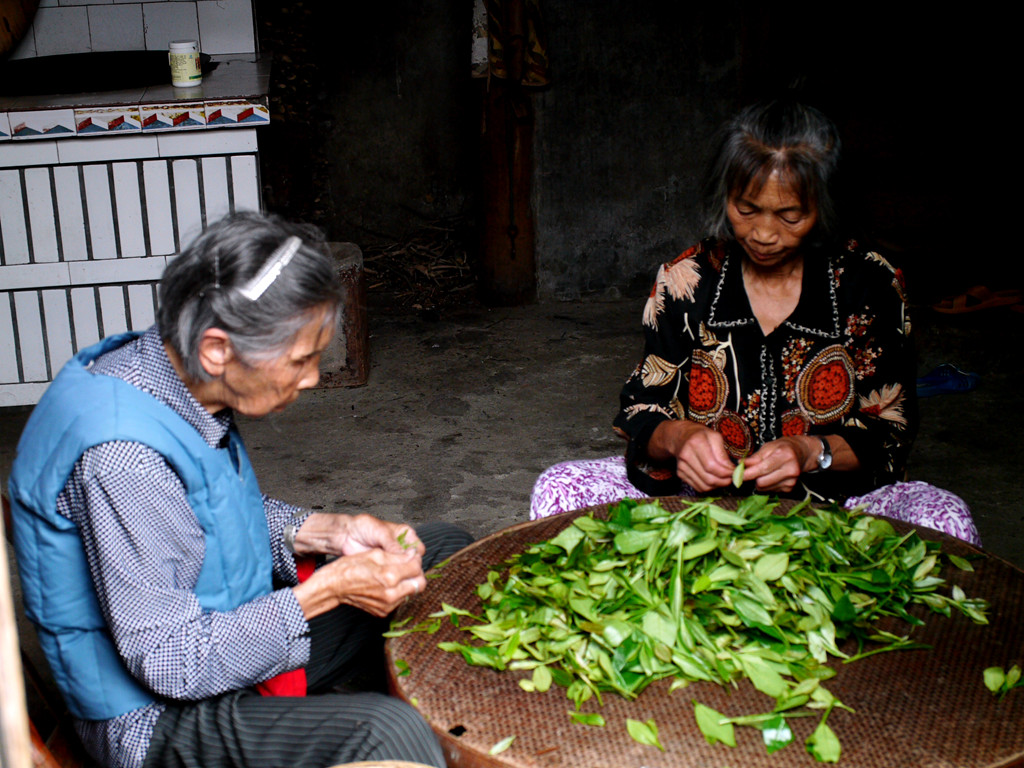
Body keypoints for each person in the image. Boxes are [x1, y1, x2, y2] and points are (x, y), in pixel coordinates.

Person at [8, 212, 473, 768]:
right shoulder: (123, 459)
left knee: (443, 555)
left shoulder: (164, 373)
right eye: (301, 359)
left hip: (214, 628)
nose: (311, 379)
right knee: (382, 731)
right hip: (154, 716)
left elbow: (200, 510)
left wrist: (327, 530)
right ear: (217, 351)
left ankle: (443, 730)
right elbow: (170, 661)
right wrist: (326, 593)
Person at [531, 100, 979, 545]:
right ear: (724, 195)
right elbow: (640, 408)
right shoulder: (687, 280)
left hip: (831, 512)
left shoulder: (870, 284)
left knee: (945, 520)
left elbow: (891, 432)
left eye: (790, 215)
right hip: (694, 508)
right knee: (560, 489)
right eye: (746, 209)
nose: (764, 234)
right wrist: (681, 439)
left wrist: (810, 453)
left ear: (823, 206)